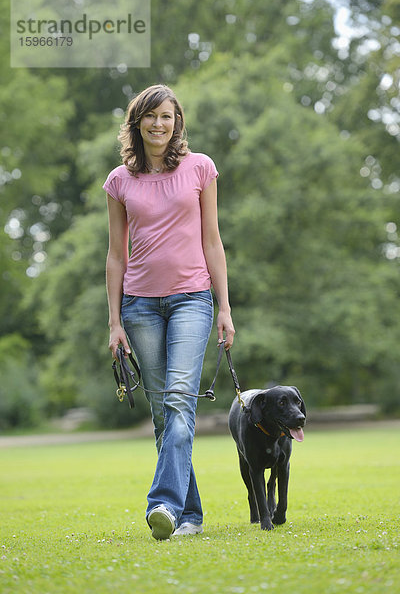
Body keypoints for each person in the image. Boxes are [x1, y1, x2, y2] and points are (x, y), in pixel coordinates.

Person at [104, 84, 235, 540]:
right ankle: (191, 515)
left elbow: (212, 240)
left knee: (179, 398)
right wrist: (114, 320)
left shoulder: (200, 168)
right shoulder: (120, 179)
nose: (160, 124)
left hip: (192, 299)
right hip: (138, 305)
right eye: (151, 116)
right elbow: (116, 256)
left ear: (177, 122)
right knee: (163, 413)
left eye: (168, 116)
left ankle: (162, 503)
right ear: (137, 122)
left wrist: (224, 307)